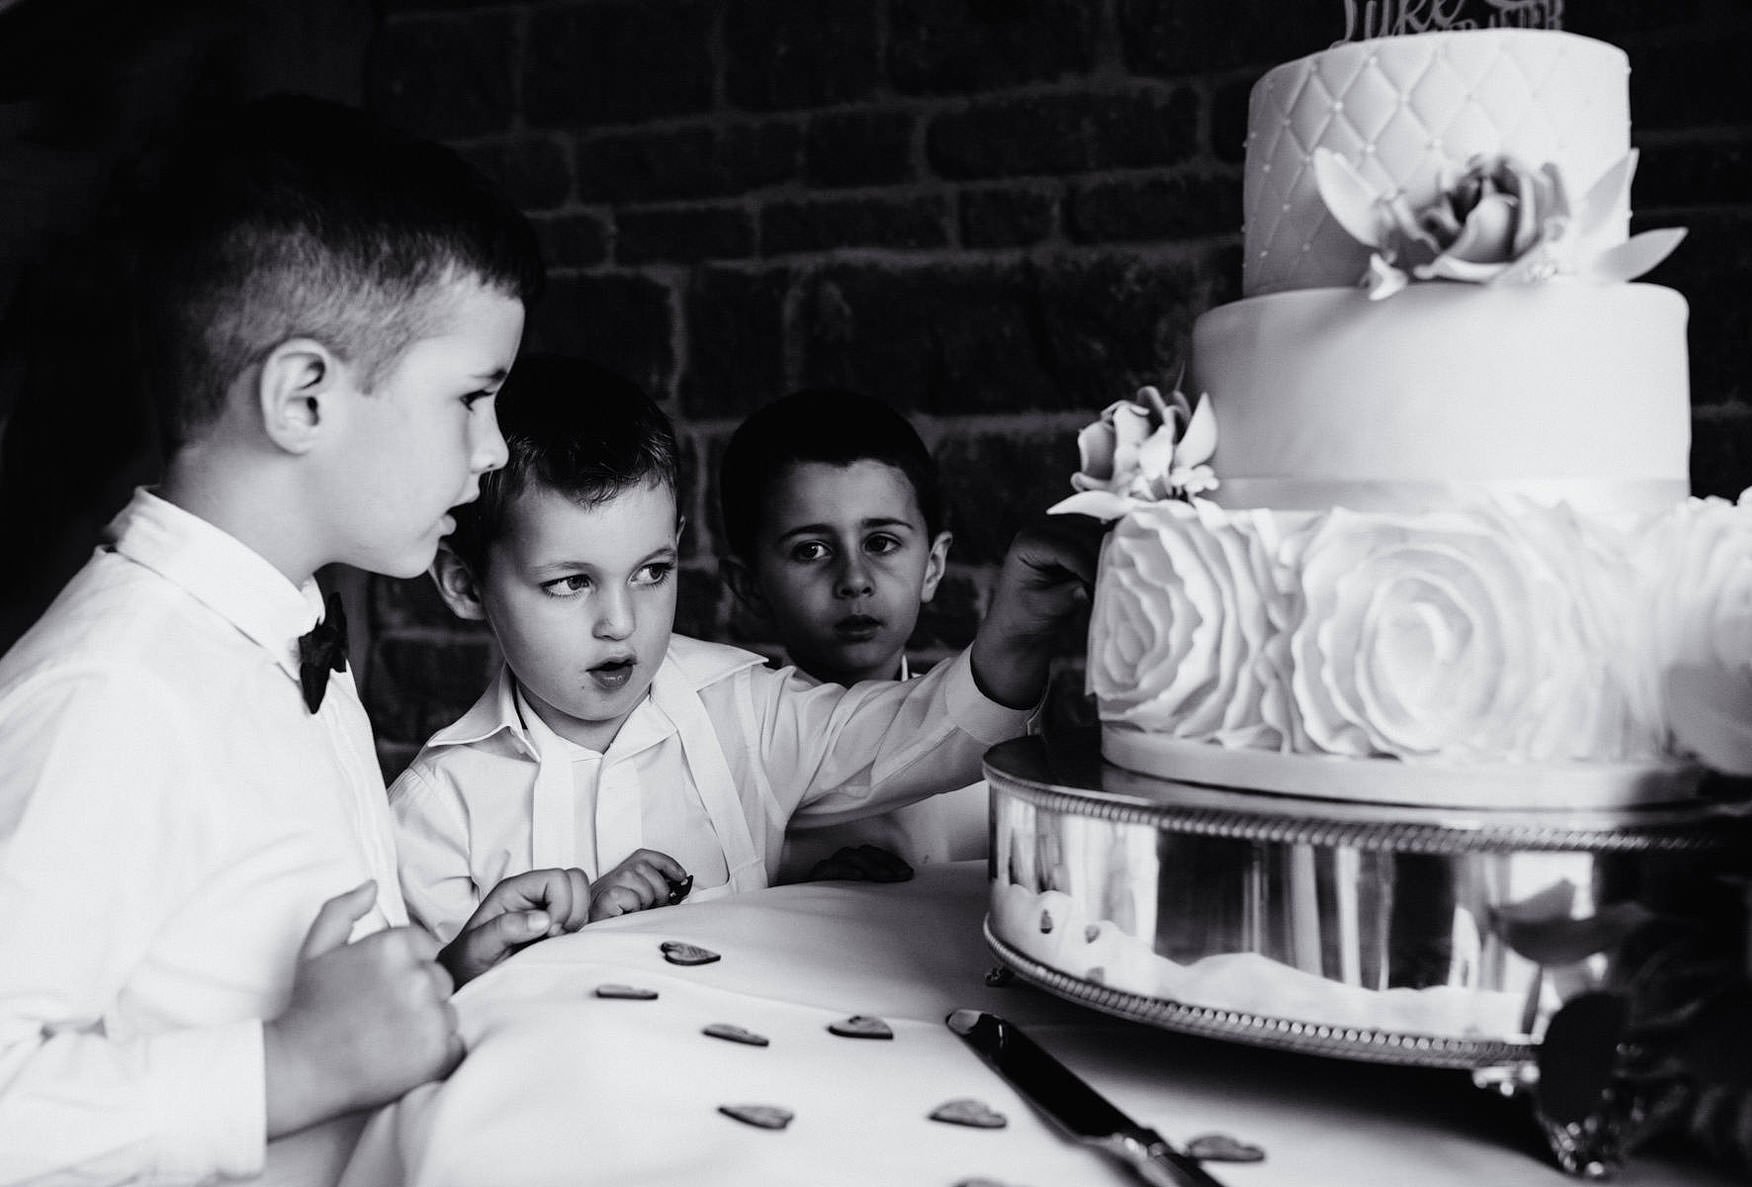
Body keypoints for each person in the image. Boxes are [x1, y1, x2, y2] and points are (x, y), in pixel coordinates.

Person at [0, 95, 591, 1187]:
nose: (495, 449)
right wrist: (285, 1066)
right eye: (473, 398)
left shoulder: (283, 631)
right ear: (305, 395)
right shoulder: (104, 697)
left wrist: (431, 984)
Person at [389, 355, 1096, 943]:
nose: (620, 622)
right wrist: (579, 946)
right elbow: (436, 1029)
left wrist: (1020, 626)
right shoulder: (436, 811)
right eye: (571, 582)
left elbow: (924, 730)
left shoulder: (748, 711)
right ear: (463, 584)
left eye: (651, 572)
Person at [718, 387, 988, 882]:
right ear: (749, 586)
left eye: (881, 543)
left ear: (932, 566)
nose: (854, 579)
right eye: (811, 550)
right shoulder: (730, 764)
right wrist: (806, 901)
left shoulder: (993, 749)